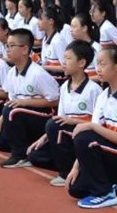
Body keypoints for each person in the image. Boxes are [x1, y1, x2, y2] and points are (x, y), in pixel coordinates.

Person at [65, 46, 117, 209]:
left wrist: (91, 126)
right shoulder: (104, 96)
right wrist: (75, 168)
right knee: (76, 189)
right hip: (113, 148)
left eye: (103, 64)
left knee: (84, 137)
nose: (98, 69)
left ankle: (105, 193)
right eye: (97, 64)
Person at [27, 40, 102, 187]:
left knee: (55, 126)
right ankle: (75, 167)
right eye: (64, 58)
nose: (64, 62)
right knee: (34, 154)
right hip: (66, 136)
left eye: (68, 58)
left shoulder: (94, 90)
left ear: (81, 63)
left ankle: (66, 172)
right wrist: (43, 138)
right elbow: (60, 118)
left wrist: (74, 122)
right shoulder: (64, 88)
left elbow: (98, 124)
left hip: (84, 137)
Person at [0, 28, 60, 167]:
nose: (8, 50)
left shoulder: (37, 74)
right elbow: (11, 101)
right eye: (7, 46)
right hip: (23, 113)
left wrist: (24, 102)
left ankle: (20, 155)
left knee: (13, 111)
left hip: (43, 116)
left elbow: (55, 100)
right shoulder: (12, 72)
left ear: (24, 49)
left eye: (12, 46)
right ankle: (25, 145)